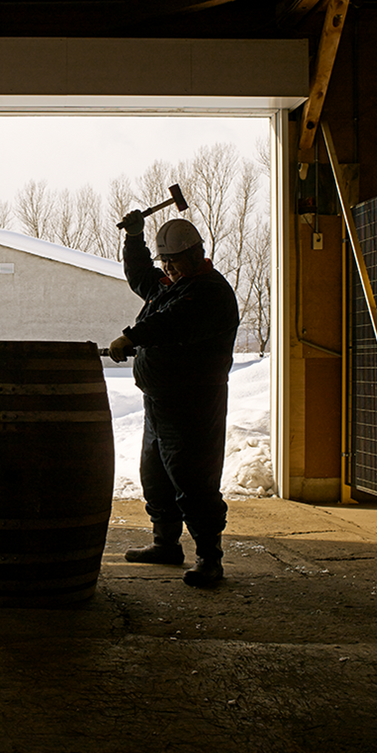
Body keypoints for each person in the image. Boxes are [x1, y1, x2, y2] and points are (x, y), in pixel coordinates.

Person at [109, 213, 239, 589]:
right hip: (161, 400)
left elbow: (172, 322)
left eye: (175, 260)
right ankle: (165, 543)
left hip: (193, 403)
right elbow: (141, 277)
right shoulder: (172, 284)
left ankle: (209, 558)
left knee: (192, 476)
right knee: (156, 475)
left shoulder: (209, 292)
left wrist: (131, 337)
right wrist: (135, 239)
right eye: (165, 262)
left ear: (197, 254)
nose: (169, 268)